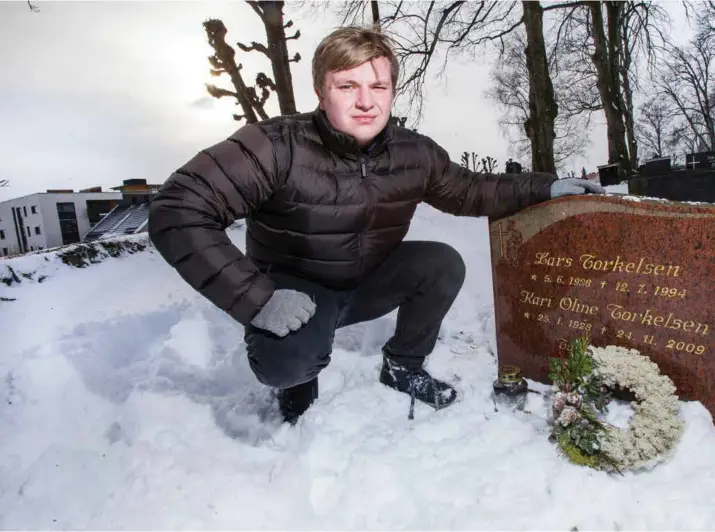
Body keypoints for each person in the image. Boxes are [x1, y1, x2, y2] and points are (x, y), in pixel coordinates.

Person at [147, 26, 604, 424]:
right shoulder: (275, 146)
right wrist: (258, 298)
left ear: (392, 91)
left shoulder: (413, 153)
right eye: (347, 86)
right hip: (300, 293)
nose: (366, 101)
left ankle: (403, 364)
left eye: (378, 86)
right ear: (321, 92)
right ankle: (299, 379)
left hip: (369, 280)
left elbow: (471, 190)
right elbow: (178, 208)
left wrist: (544, 188)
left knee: (441, 263)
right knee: (286, 363)